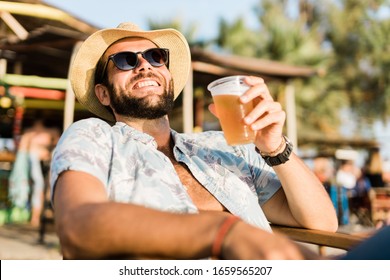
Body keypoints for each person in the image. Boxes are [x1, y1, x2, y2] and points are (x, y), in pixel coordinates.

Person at [50, 22, 337, 260]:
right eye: (125, 61)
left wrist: (275, 147)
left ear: (168, 76)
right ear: (103, 94)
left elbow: (322, 223)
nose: (144, 66)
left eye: (155, 57)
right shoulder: (93, 137)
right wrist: (222, 232)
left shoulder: (228, 148)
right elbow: (76, 226)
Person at [9, 118, 60, 226]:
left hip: (43, 164)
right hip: (35, 163)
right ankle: (35, 216)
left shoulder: (36, 133)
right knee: (38, 186)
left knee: (41, 186)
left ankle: (36, 216)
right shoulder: (33, 133)